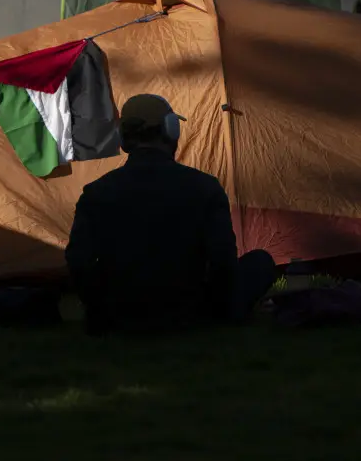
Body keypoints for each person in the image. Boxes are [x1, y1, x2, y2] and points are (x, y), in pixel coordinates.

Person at [64, 94, 276, 335]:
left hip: (120, 315)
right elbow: (223, 262)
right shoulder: (204, 187)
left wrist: (101, 310)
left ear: (123, 137)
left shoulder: (96, 192)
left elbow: (79, 262)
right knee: (260, 262)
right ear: (170, 130)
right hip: (192, 313)